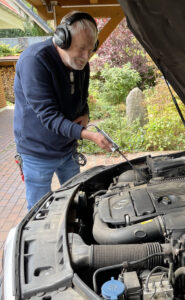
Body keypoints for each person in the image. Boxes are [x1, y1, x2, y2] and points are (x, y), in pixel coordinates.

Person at [13, 11, 112, 210]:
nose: (86, 57)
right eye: (81, 49)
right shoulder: (34, 61)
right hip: (37, 152)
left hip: (67, 148)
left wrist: (85, 114)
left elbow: (82, 97)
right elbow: (48, 116)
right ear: (62, 41)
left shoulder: (80, 62)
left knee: (77, 200)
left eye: (91, 49)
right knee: (39, 211)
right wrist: (88, 135)